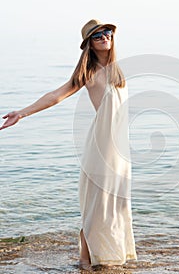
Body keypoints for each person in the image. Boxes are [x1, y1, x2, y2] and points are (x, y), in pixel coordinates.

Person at [0, 19, 137, 270]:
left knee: (116, 205)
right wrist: (22, 113)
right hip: (101, 148)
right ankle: (85, 260)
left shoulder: (118, 71)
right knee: (97, 206)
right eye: (98, 36)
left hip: (120, 149)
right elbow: (55, 96)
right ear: (89, 45)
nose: (105, 36)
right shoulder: (89, 72)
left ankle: (109, 256)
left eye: (107, 32)